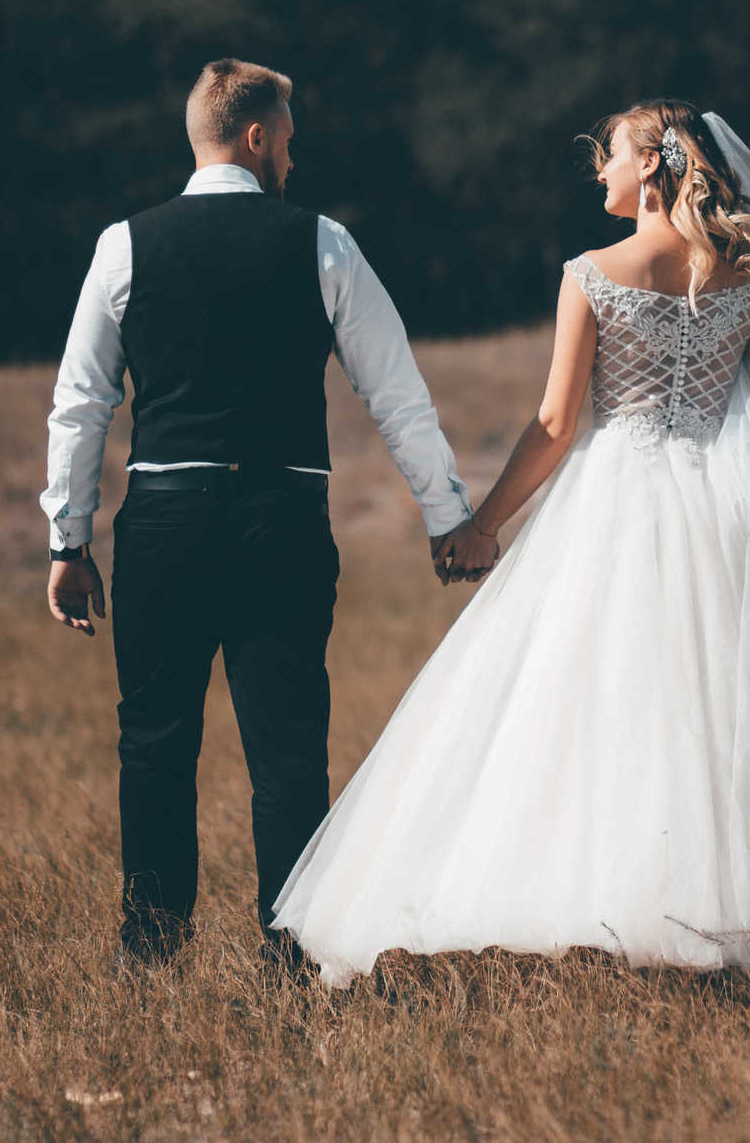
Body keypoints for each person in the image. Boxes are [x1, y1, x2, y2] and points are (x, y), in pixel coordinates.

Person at [269, 99, 750, 986]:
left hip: (615, 502)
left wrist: (484, 527)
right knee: (706, 713)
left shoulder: (592, 272)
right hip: (715, 508)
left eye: (610, 154)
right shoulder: (747, 277)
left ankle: (585, 909)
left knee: (582, 699)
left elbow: (557, 423)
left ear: (653, 166)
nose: (599, 168)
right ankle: (717, 924)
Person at [38, 58, 495, 967]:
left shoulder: (123, 245)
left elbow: (81, 401)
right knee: (288, 749)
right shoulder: (321, 243)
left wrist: (68, 536)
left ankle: (151, 948)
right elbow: (396, 394)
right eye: (287, 137)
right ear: (254, 137)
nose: (293, 153)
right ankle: (293, 953)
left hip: (165, 516)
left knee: (154, 739)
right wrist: (446, 514)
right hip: (280, 518)